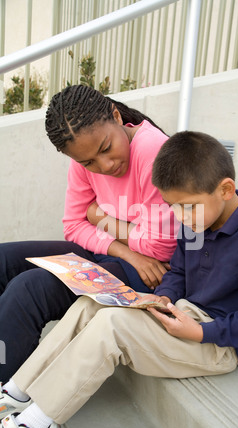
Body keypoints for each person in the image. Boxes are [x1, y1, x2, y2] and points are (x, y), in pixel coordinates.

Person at [0, 131, 238, 428]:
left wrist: (199, 333)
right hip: (180, 312)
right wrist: (163, 296)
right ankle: (16, 392)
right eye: (172, 207)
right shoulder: (195, 222)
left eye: (187, 207)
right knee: (89, 305)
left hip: (219, 343)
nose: (180, 217)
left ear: (226, 189)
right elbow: (178, 270)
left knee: (112, 325)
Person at [0, 85, 178, 383]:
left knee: (31, 289)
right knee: (3, 258)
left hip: (148, 272)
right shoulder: (83, 156)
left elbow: (159, 248)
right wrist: (125, 248)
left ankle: (9, 397)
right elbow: (73, 224)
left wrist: (99, 217)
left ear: (117, 116)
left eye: (106, 148)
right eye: (88, 162)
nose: (104, 166)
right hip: (120, 255)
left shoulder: (153, 151)